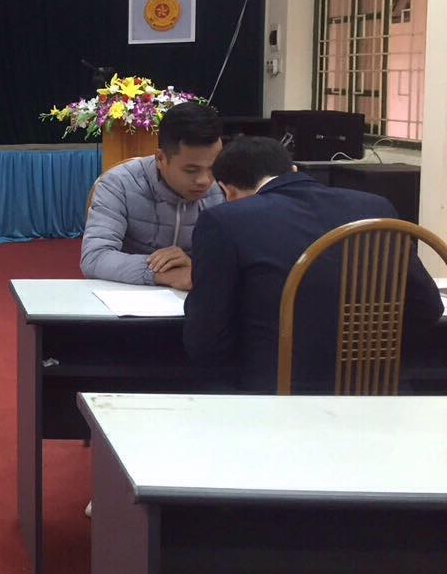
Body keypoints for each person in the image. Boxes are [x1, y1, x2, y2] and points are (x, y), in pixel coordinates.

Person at [184, 136, 442, 393]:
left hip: (274, 395)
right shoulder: (375, 208)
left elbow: (206, 340)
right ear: (294, 170)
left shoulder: (223, 221)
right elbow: (428, 308)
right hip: (379, 393)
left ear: (227, 190)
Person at [80, 101, 225, 290]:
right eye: (191, 170)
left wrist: (194, 266)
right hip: (128, 297)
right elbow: (95, 257)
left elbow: (231, 257)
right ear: (160, 158)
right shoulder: (119, 184)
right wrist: (163, 273)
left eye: (213, 167)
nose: (204, 181)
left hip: (194, 297)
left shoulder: (223, 188)